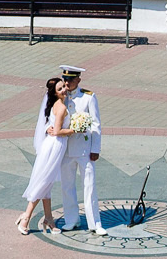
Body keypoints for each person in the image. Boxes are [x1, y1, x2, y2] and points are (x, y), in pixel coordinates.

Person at [16, 77, 70, 234]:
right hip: (55, 146)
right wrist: (75, 130)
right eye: (60, 89)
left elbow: (53, 126)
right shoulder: (60, 108)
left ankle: (49, 218)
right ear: (54, 93)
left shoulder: (55, 104)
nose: (64, 90)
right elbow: (59, 131)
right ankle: (26, 216)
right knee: (45, 181)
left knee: (47, 182)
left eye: (64, 87)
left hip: (52, 145)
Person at [56, 64, 105, 232]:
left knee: (89, 186)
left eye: (70, 80)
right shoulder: (61, 96)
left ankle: (95, 223)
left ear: (78, 80)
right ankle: (71, 219)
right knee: (67, 186)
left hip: (84, 149)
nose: (67, 83)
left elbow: (96, 125)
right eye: (65, 79)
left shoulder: (88, 97)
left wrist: (95, 149)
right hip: (66, 149)